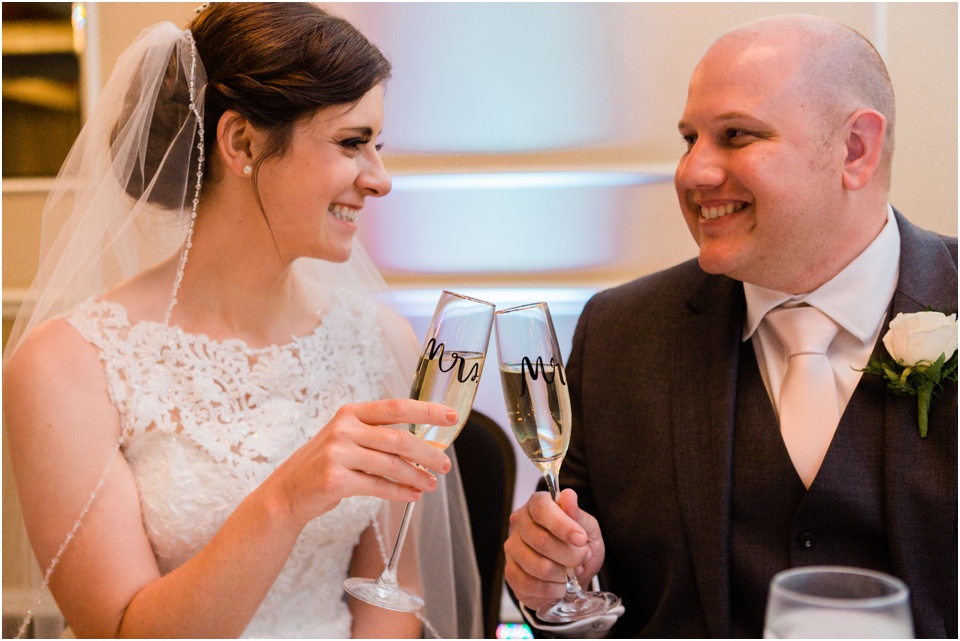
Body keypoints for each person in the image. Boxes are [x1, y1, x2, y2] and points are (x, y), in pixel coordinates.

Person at [3, 3, 481, 638]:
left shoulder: (380, 343)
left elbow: (390, 596)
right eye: (351, 143)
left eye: (378, 145)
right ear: (242, 142)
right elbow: (118, 630)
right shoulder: (66, 365)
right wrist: (285, 500)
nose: (380, 180)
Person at [504, 13, 957, 638]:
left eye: (737, 135)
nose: (692, 172)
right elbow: (580, 595)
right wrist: (551, 582)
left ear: (856, 148)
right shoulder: (619, 334)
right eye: (690, 139)